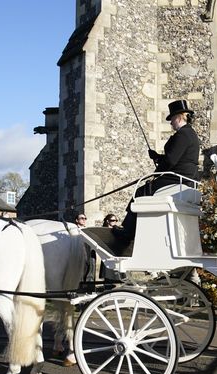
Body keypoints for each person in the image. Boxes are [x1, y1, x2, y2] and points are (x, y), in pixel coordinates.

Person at [114, 99, 201, 240]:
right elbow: (176, 157)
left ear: (178, 117)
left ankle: (128, 231)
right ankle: (131, 228)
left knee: (141, 191)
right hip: (185, 175)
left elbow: (171, 161)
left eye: (172, 118)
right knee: (145, 189)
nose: (171, 122)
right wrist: (158, 157)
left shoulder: (182, 135)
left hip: (177, 176)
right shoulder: (190, 133)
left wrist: (156, 173)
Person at [75, 213, 96, 283]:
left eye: (85, 218)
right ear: (77, 220)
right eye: (82, 218)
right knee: (80, 273)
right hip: (79, 253)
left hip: (88, 251)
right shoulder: (74, 231)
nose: (84, 220)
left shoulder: (88, 231)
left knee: (90, 271)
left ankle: (89, 287)